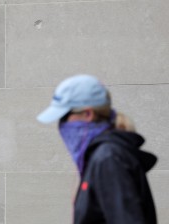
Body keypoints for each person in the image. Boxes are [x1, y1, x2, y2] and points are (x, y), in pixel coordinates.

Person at [36, 74, 157, 224]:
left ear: (88, 114)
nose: (61, 124)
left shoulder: (108, 158)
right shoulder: (101, 155)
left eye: (65, 116)